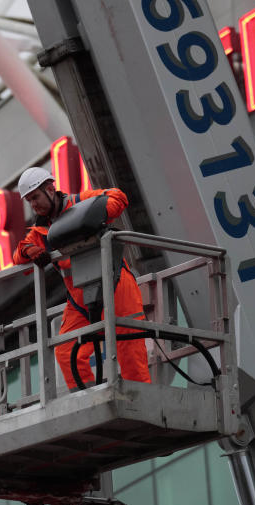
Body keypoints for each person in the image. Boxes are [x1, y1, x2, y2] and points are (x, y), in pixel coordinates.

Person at [12, 166, 151, 389]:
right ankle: (88, 398)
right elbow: (19, 255)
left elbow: (119, 197)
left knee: (129, 350)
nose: (33, 204)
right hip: (80, 300)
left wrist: (94, 216)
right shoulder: (40, 231)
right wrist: (29, 251)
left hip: (116, 285)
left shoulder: (83, 202)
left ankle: (143, 403)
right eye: (29, 200)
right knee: (67, 351)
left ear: (50, 189)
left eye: (35, 197)